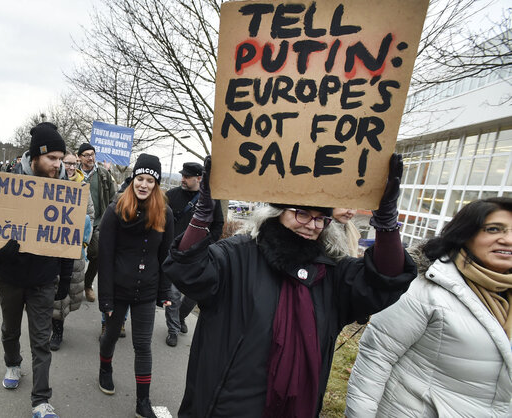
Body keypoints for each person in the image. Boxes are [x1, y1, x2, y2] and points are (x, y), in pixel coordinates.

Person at [162, 154, 417, 417]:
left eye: (321, 219)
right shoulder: (237, 257)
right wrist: (202, 217)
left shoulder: (332, 273)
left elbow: (386, 278)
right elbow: (187, 268)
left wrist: (386, 224)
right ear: (277, 213)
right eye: (302, 214)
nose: (312, 225)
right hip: (224, 408)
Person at [346, 197, 512, 417]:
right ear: (465, 233)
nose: (508, 239)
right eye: (493, 229)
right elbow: (376, 359)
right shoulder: (425, 287)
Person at [0, 122, 74, 418]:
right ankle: (12, 363)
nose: (57, 164)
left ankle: (41, 400)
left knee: (41, 340)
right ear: (35, 157)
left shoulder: (66, 192)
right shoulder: (7, 183)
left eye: (61, 158)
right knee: (9, 330)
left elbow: (67, 239)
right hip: (10, 276)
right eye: (52, 158)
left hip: (43, 279)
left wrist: (64, 280)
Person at [97, 153, 175, 418]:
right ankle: (105, 368)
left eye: (150, 180)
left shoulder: (165, 213)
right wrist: (105, 299)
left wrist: (164, 292)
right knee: (110, 337)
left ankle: (143, 402)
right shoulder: (115, 209)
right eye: (140, 179)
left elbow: (165, 256)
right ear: (132, 180)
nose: (144, 185)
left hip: (147, 289)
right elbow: (105, 257)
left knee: (143, 345)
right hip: (118, 288)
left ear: (156, 184)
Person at [163, 162, 224, 347]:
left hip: (199, 257)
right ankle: (172, 329)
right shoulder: (171, 195)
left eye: (187, 176)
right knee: (172, 294)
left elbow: (218, 224)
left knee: (194, 295)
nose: (182, 179)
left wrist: (207, 245)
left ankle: (181, 317)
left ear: (199, 178)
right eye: (182, 175)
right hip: (174, 255)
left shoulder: (212, 200)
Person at [50, 151, 95, 351]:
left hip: (72, 247)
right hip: (50, 245)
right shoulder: (51, 184)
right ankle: (48, 326)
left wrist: (82, 240)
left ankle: (58, 330)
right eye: (66, 163)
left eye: (73, 164)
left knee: (64, 291)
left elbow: (90, 216)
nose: (69, 167)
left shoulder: (83, 188)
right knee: (49, 287)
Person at [78, 142, 118, 302]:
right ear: (79, 157)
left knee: (97, 254)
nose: (90, 157)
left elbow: (113, 198)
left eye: (92, 154)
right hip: (75, 222)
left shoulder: (103, 174)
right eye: (86, 155)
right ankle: (70, 286)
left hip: (97, 222)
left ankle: (87, 285)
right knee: (72, 258)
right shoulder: (73, 174)